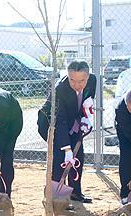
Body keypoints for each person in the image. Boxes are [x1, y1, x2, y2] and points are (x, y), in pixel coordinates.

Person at [40, 60, 96, 203]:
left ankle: (75, 192)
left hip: (75, 121)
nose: (77, 85)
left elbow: (87, 102)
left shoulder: (92, 81)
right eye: (73, 80)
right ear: (68, 76)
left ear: (88, 77)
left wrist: (86, 118)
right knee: (60, 159)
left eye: (81, 81)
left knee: (78, 157)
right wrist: (66, 148)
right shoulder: (60, 90)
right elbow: (61, 121)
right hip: (51, 124)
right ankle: (56, 197)